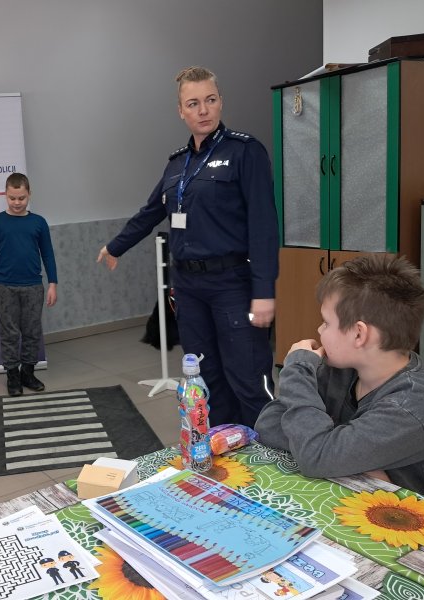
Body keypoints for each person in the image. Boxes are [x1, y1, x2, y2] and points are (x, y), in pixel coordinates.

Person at [97, 66, 279, 427]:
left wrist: (264, 291)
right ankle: (226, 452)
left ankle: (269, 458)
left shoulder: (245, 152)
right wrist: (115, 246)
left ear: (221, 101)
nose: (203, 110)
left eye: (210, 100)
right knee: (206, 379)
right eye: (193, 103)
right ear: (181, 110)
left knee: (246, 376)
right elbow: (151, 211)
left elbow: (263, 225)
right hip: (189, 289)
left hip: (233, 284)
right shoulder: (177, 164)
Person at [255, 254, 424, 501]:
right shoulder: (341, 369)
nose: (319, 331)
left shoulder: (413, 405)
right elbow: (267, 424)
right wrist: (332, 449)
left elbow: (315, 456)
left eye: (326, 323)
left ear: (358, 334)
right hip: (352, 501)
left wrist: (297, 369)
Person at [0, 173, 58, 396]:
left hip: (33, 286)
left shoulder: (39, 223)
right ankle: (12, 375)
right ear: (5, 195)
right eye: (12, 198)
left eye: (21, 198)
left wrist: (53, 282)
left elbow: (48, 255)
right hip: (4, 287)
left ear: (29, 195)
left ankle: (28, 373)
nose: (16, 203)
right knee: (9, 333)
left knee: (32, 331)